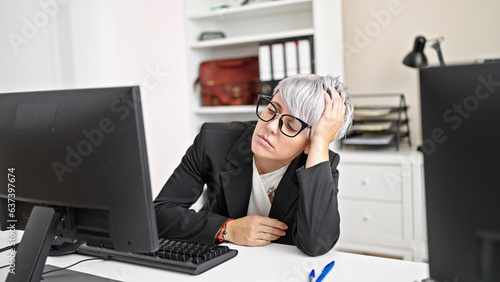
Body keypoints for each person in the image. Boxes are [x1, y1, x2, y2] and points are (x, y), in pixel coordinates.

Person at [154, 74, 354, 256]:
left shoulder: (319, 163)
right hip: (217, 261)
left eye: (290, 125)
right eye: (271, 109)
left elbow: (316, 244)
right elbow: (159, 213)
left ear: (310, 143)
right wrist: (227, 229)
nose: (270, 126)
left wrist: (320, 145)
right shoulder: (214, 142)